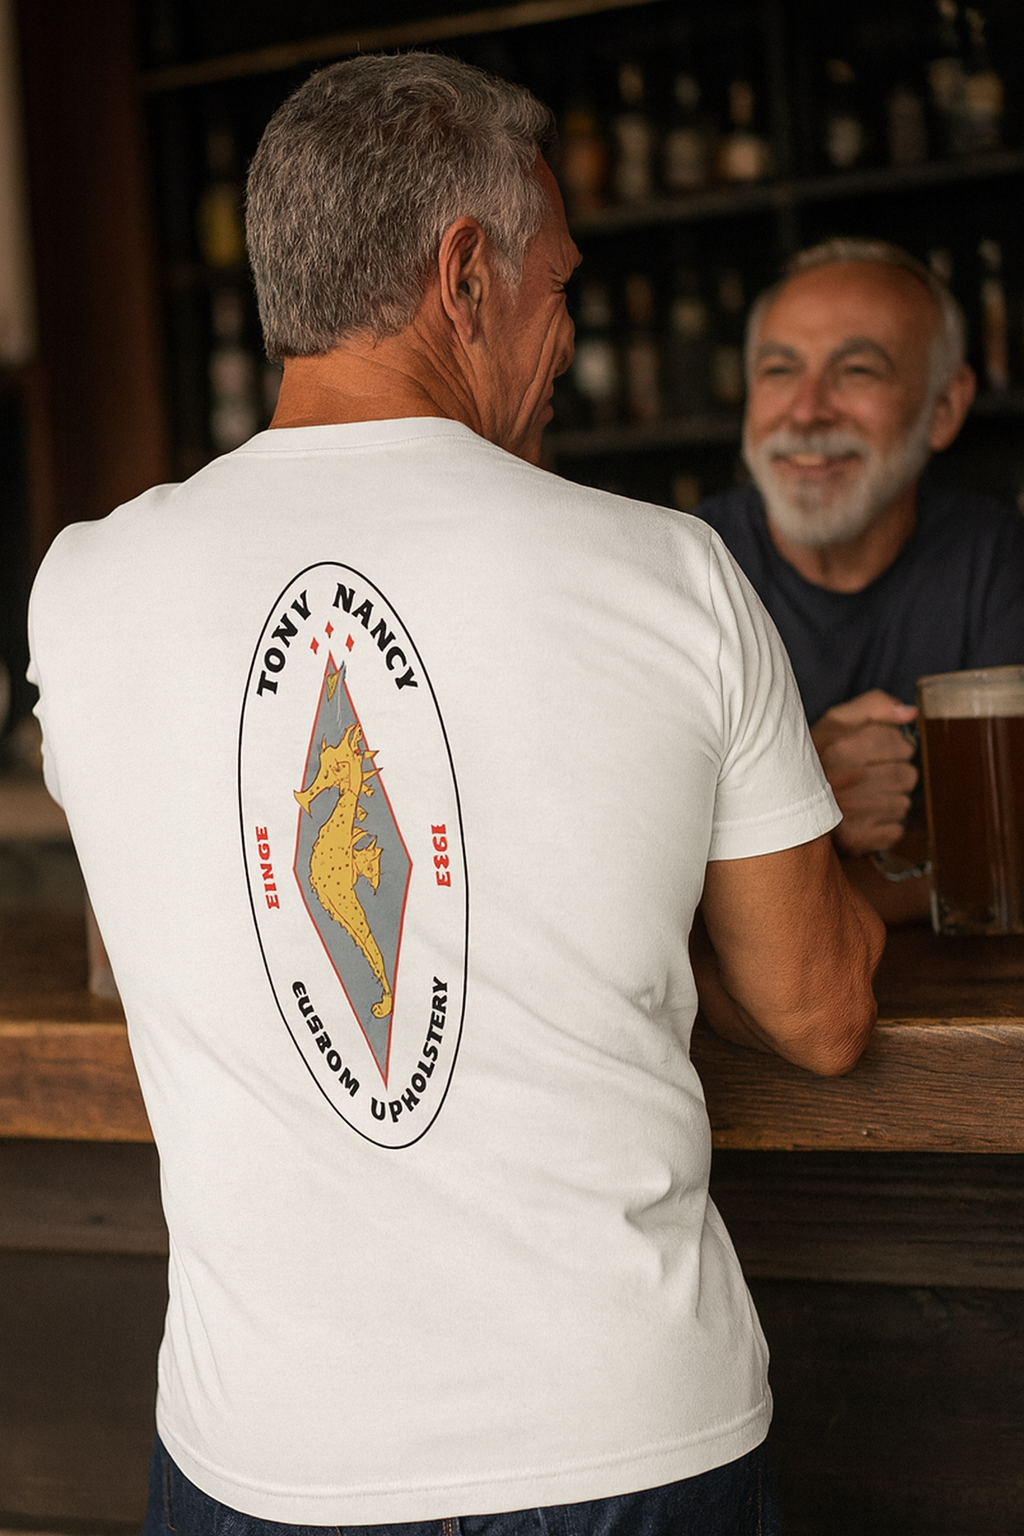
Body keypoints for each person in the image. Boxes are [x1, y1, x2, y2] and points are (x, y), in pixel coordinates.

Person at [27, 54, 882, 1536]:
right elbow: (820, 1010)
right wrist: (636, 905)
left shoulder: (82, 591)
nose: (567, 335)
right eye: (558, 285)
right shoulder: (668, 571)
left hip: (258, 1461)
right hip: (621, 1442)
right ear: (465, 273)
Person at [693, 238, 1024, 920]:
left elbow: (1009, 867)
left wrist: (776, 858)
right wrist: (799, 802)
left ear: (945, 407)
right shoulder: (683, 571)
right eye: (780, 370)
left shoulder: (998, 558)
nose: (808, 410)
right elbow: (636, 882)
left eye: (858, 371)